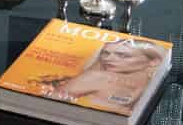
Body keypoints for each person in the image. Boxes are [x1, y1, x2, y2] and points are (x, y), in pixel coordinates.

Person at [35, 37, 167, 110]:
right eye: (105, 53)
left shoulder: (152, 82)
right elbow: (46, 104)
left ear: (153, 61)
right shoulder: (97, 77)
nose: (108, 59)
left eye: (122, 55)